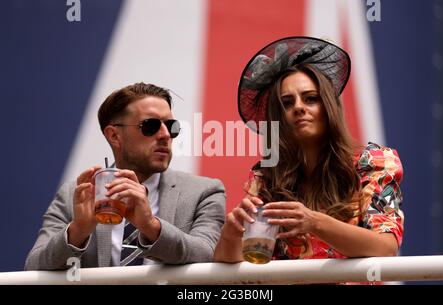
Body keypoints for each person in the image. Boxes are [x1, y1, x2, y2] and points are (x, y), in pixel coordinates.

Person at [214, 36, 404, 264]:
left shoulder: (375, 161)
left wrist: (314, 222)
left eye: (311, 99)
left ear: (329, 108)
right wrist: (231, 233)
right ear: (278, 117)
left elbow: (385, 246)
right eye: (287, 103)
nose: (299, 108)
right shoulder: (266, 175)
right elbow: (240, 266)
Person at [25, 82, 225, 270]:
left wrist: (151, 227)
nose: (165, 135)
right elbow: (34, 266)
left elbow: (208, 254)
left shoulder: (203, 192)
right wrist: (78, 231)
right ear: (114, 136)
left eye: (171, 126)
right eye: (150, 125)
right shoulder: (75, 195)